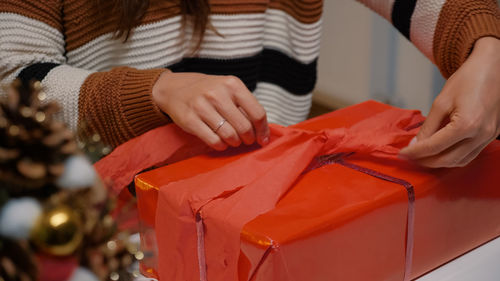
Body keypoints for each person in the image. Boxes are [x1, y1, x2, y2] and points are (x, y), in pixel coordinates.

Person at [0, 0, 498, 168]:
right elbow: (10, 84)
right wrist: (154, 91)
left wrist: (487, 49)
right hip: (102, 226)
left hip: (264, 213)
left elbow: (446, 8)